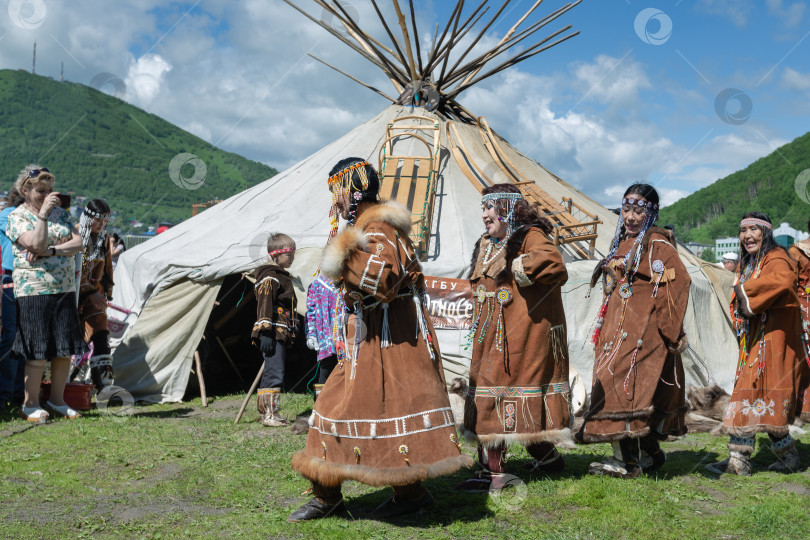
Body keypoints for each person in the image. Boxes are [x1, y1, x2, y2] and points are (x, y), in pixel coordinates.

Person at [288, 158, 472, 522]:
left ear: (352, 191)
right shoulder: (369, 226)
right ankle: (332, 496)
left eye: (336, 193)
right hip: (373, 341)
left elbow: (382, 281)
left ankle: (404, 495)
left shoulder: (379, 226)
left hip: (392, 341)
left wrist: (343, 254)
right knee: (339, 406)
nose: (334, 203)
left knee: (378, 410)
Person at [456, 184, 570, 492]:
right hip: (490, 334)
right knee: (491, 390)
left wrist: (519, 266)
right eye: (482, 209)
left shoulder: (529, 236)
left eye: (488, 208)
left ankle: (492, 475)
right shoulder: (486, 243)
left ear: (506, 207)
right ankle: (548, 460)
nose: (483, 215)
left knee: (494, 396)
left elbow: (554, 263)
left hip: (521, 335)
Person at [579, 184, 691, 478]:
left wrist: (669, 332)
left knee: (622, 392)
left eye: (638, 211)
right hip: (617, 335)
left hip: (642, 336)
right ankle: (651, 455)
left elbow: (677, 285)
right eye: (626, 209)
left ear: (651, 213)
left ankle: (627, 464)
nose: (630, 216)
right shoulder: (624, 243)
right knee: (628, 393)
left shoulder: (657, 245)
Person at [706, 213, 803, 475]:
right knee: (764, 399)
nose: (747, 235)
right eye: (743, 230)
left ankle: (739, 461)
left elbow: (783, 282)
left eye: (753, 229)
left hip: (774, 341)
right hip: (756, 341)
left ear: (766, 232)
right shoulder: (752, 262)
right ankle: (789, 457)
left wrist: (745, 296)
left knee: (748, 395)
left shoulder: (777, 258)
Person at [6, 165, 85, 422]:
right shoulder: (16, 217)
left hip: (63, 287)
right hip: (33, 290)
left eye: (50, 190)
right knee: (37, 349)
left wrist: (50, 251)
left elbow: (78, 243)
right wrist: (42, 218)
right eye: (41, 190)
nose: (48, 195)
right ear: (25, 190)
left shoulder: (61, 214)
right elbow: (35, 243)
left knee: (64, 348)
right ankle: (30, 404)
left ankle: (57, 401)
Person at [252, 233, 297, 427]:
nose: (292, 258)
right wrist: (266, 331)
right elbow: (264, 303)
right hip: (272, 332)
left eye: (293, 254)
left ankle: (268, 413)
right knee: (274, 371)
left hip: (279, 331)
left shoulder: (281, 276)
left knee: (274, 369)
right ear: (276, 255)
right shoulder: (270, 276)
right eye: (289, 254)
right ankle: (270, 414)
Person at [77, 199, 116, 391]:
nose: (101, 225)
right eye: (98, 221)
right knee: (70, 339)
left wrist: (107, 293)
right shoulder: (74, 234)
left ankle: (105, 386)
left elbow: (108, 268)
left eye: (104, 222)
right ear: (88, 217)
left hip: (97, 296)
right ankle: (62, 387)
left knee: (101, 338)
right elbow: (72, 271)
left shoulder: (104, 238)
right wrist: (88, 291)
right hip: (73, 296)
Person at [0, 187, 24, 411]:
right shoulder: (8, 214)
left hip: (31, 279)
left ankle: (19, 391)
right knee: (10, 336)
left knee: (26, 337)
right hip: (11, 279)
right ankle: (5, 392)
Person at [305, 273, 341, 400]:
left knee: (344, 371)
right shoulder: (317, 285)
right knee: (326, 368)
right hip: (325, 337)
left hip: (344, 337)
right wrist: (311, 335)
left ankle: (341, 407)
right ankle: (320, 407)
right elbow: (311, 312)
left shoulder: (346, 285)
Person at [787, 227, 810, 423]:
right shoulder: (796, 251)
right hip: (802, 308)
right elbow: (790, 282)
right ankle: (800, 406)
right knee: (801, 356)